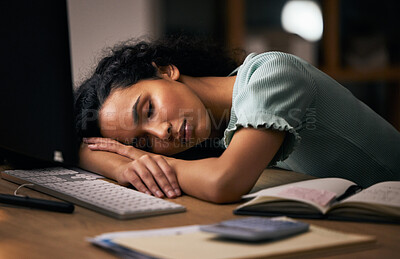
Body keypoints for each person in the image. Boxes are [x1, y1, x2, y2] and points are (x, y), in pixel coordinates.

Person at [74, 35, 400, 203]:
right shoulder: (218, 131)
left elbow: (223, 182)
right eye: (144, 141)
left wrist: (137, 159)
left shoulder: (271, 76)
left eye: (148, 110)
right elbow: (84, 149)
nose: (163, 133)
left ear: (165, 71)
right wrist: (120, 164)